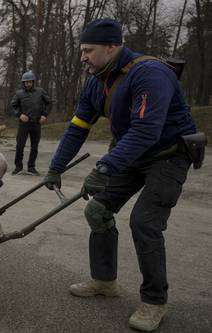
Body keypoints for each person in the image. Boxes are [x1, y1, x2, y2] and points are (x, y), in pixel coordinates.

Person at [42, 18, 198, 331]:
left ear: (112, 47)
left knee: (144, 223)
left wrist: (104, 167)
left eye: (89, 50)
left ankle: (155, 301)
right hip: (133, 154)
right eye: (82, 50)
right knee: (97, 210)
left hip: (168, 156)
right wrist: (56, 166)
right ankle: (104, 281)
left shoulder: (150, 74)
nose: (83, 56)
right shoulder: (97, 80)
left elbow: (146, 131)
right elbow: (77, 128)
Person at [11, 71, 51, 176]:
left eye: (30, 82)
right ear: (23, 83)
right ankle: (18, 167)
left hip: (36, 123)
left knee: (34, 147)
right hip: (24, 124)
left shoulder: (40, 92)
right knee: (20, 146)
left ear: (33, 82)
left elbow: (48, 103)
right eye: (26, 82)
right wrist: (19, 115)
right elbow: (13, 106)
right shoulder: (19, 93)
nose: (28, 84)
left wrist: (44, 115)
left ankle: (31, 167)